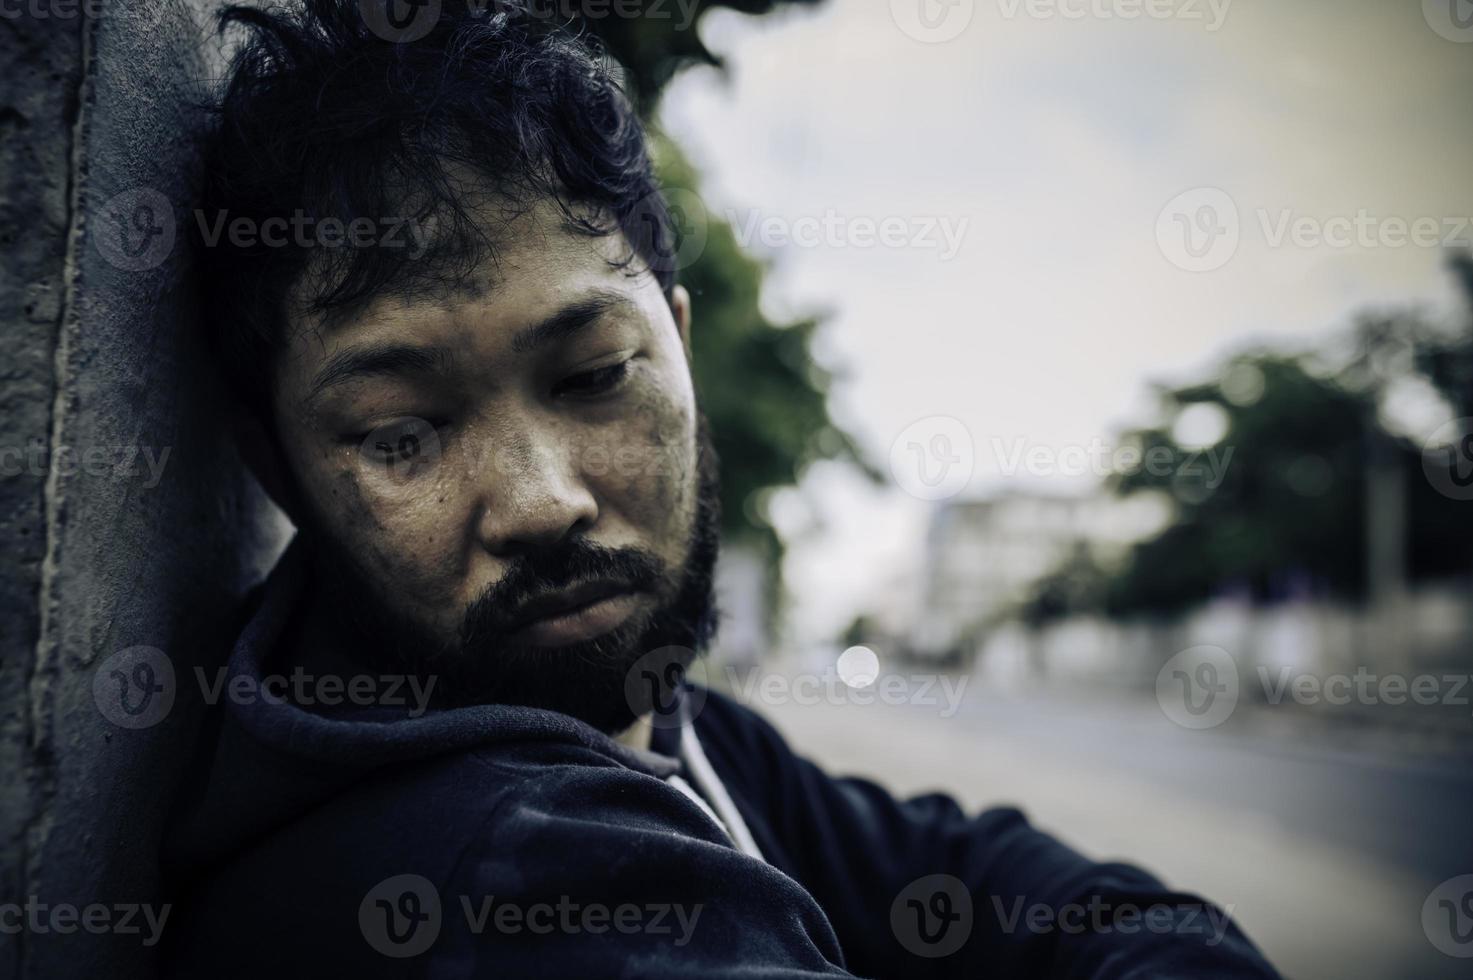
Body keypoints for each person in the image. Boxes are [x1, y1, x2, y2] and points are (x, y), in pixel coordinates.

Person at [163, 3, 1281, 976]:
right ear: (280, 472)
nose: (541, 502)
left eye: (594, 376)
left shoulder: (667, 723)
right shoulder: (498, 877)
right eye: (402, 434)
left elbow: (1083, 906)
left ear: (682, 352)